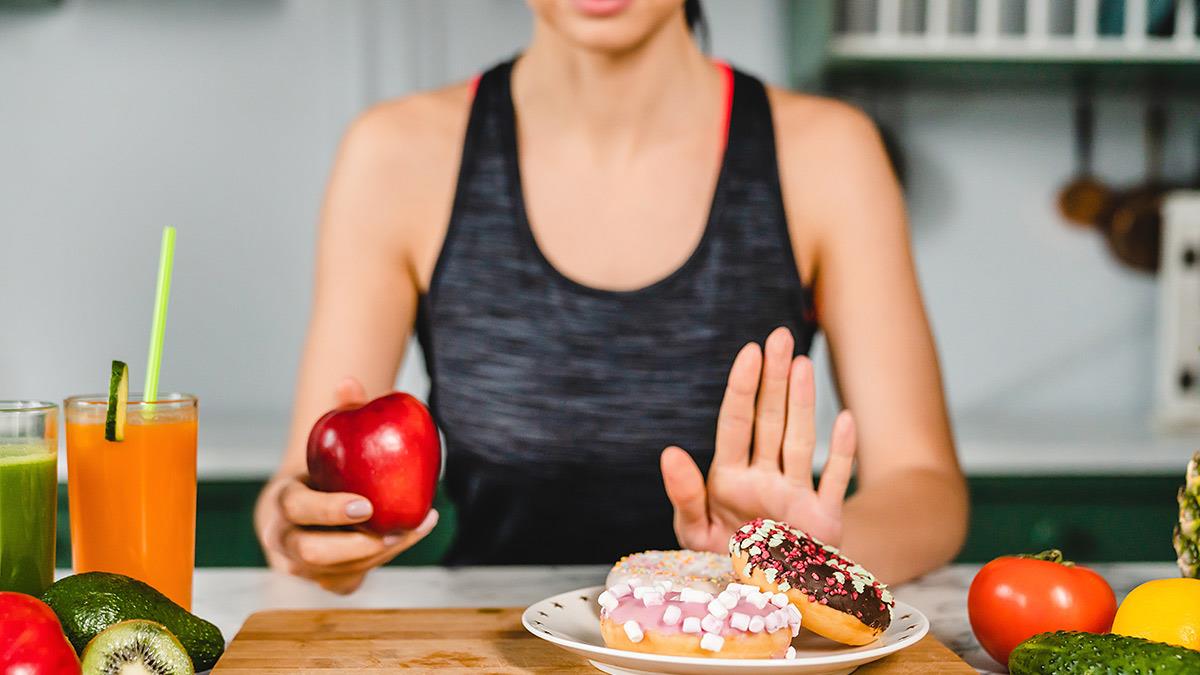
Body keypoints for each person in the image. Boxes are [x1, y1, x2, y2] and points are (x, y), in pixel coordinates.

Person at [255, 0, 967, 594]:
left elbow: (925, 485)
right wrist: (306, 529)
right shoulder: (394, 154)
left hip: (738, 655)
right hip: (486, 651)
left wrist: (797, 558)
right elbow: (293, 490)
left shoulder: (830, 152)